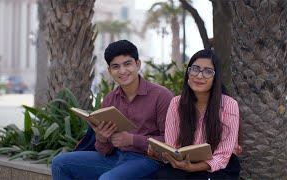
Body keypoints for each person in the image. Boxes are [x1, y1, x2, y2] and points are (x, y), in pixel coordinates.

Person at [51, 40, 173, 180]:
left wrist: (132, 140)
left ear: (138, 64)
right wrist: (102, 138)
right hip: (115, 158)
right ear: (110, 71)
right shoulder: (110, 100)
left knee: (108, 179)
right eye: (116, 66)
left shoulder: (161, 96)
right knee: (60, 163)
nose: (122, 71)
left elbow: (170, 143)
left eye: (127, 64)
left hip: (148, 161)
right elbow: (104, 150)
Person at [150, 49, 241, 179]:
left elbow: (223, 155)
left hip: (217, 167)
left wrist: (192, 168)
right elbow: (172, 146)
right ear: (188, 73)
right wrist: (161, 154)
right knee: (163, 176)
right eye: (195, 69)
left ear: (215, 78)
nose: (199, 76)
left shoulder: (229, 104)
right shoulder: (176, 103)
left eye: (208, 72)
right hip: (184, 164)